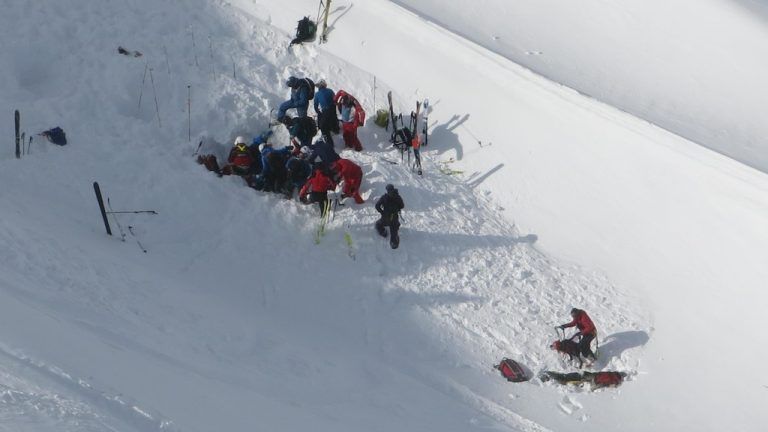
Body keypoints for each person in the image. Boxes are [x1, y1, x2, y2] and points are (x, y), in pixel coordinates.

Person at [375, 184, 405, 249]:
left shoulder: (384, 197)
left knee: (378, 224)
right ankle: (394, 243)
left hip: (385, 217)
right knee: (394, 231)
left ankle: (383, 233)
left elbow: (377, 206)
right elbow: (402, 206)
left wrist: (382, 212)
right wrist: (397, 208)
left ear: (387, 190)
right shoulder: (398, 197)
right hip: (394, 218)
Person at [313, 79, 339, 145]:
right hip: (333, 108)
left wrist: (318, 111)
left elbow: (315, 104)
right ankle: (336, 129)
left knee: (323, 126)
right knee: (333, 118)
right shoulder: (330, 91)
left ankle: (329, 143)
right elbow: (335, 99)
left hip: (326, 110)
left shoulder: (317, 94)